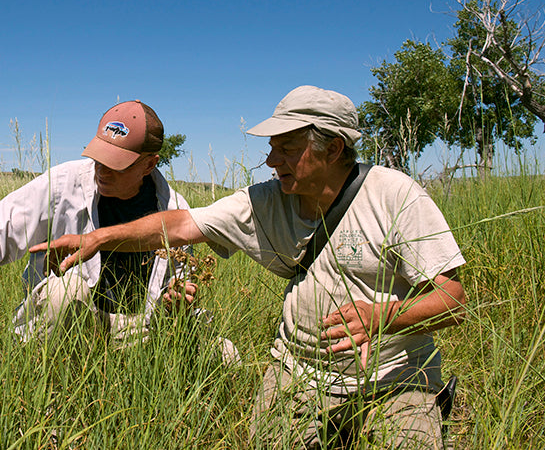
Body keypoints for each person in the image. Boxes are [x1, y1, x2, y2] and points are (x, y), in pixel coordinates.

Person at [33, 86, 467, 449]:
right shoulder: (265, 201)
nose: (272, 161)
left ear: (334, 148)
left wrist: (384, 318)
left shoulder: (395, 196)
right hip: (297, 371)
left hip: (392, 376)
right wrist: (98, 239)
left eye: (288, 149)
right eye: (271, 148)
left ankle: (422, 409)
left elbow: (455, 300)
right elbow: (183, 224)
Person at [0, 100, 199, 343]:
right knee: (67, 291)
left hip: (137, 333)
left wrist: (178, 300)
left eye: (117, 165)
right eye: (100, 156)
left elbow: (181, 288)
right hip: (73, 323)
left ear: (149, 164)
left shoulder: (175, 212)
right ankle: (42, 408)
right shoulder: (66, 183)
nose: (102, 170)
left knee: (225, 351)